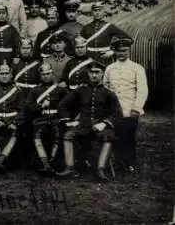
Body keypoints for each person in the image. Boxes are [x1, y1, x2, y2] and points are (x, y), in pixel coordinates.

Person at [57, 61, 123, 181]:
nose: (94, 75)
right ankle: (70, 168)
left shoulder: (108, 93)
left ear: (102, 73)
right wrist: (69, 120)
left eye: (97, 72)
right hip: (83, 125)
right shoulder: (81, 90)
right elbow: (63, 104)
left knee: (109, 137)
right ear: (88, 73)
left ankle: (101, 170)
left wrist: (104, 123)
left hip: (101, 126)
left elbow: (118, 113)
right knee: (68, 135)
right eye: (91, 72)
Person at [104, 37, 148, 173]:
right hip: (114, 109)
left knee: (128, 136)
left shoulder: (137, 68)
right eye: (119, 51)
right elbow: (105, 87)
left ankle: (128, 162)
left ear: (129, 51)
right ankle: (117, 161)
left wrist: (137, 108)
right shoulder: (110, 68)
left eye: (124, 51)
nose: (121, 54)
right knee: (115, 135)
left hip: (129, 108)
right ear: (115, 52)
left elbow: (142, 90)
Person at [25, 63, 69, 174]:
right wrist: (40, 106)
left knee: (58, 134)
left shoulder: (60, 89)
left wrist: (63, 115)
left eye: (48, 73)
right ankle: (45, 164)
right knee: (37, 134)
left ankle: (53, 162)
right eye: (43, 74)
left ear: (52, 73)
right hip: (41, 118)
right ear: (40, 75)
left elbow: (69, 103)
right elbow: (29, 106)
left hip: (56, 118)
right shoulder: (35, 90)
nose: (46, 76)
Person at [0, 61, 25, 172]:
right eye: (2, 74)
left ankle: (1, 160)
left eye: (6, 73)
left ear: (11, 75)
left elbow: (22, 110)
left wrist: (14, 122)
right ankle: (1, 159)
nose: (4, 76)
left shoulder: (17, 91)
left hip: (12, 119)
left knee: (17, 131)